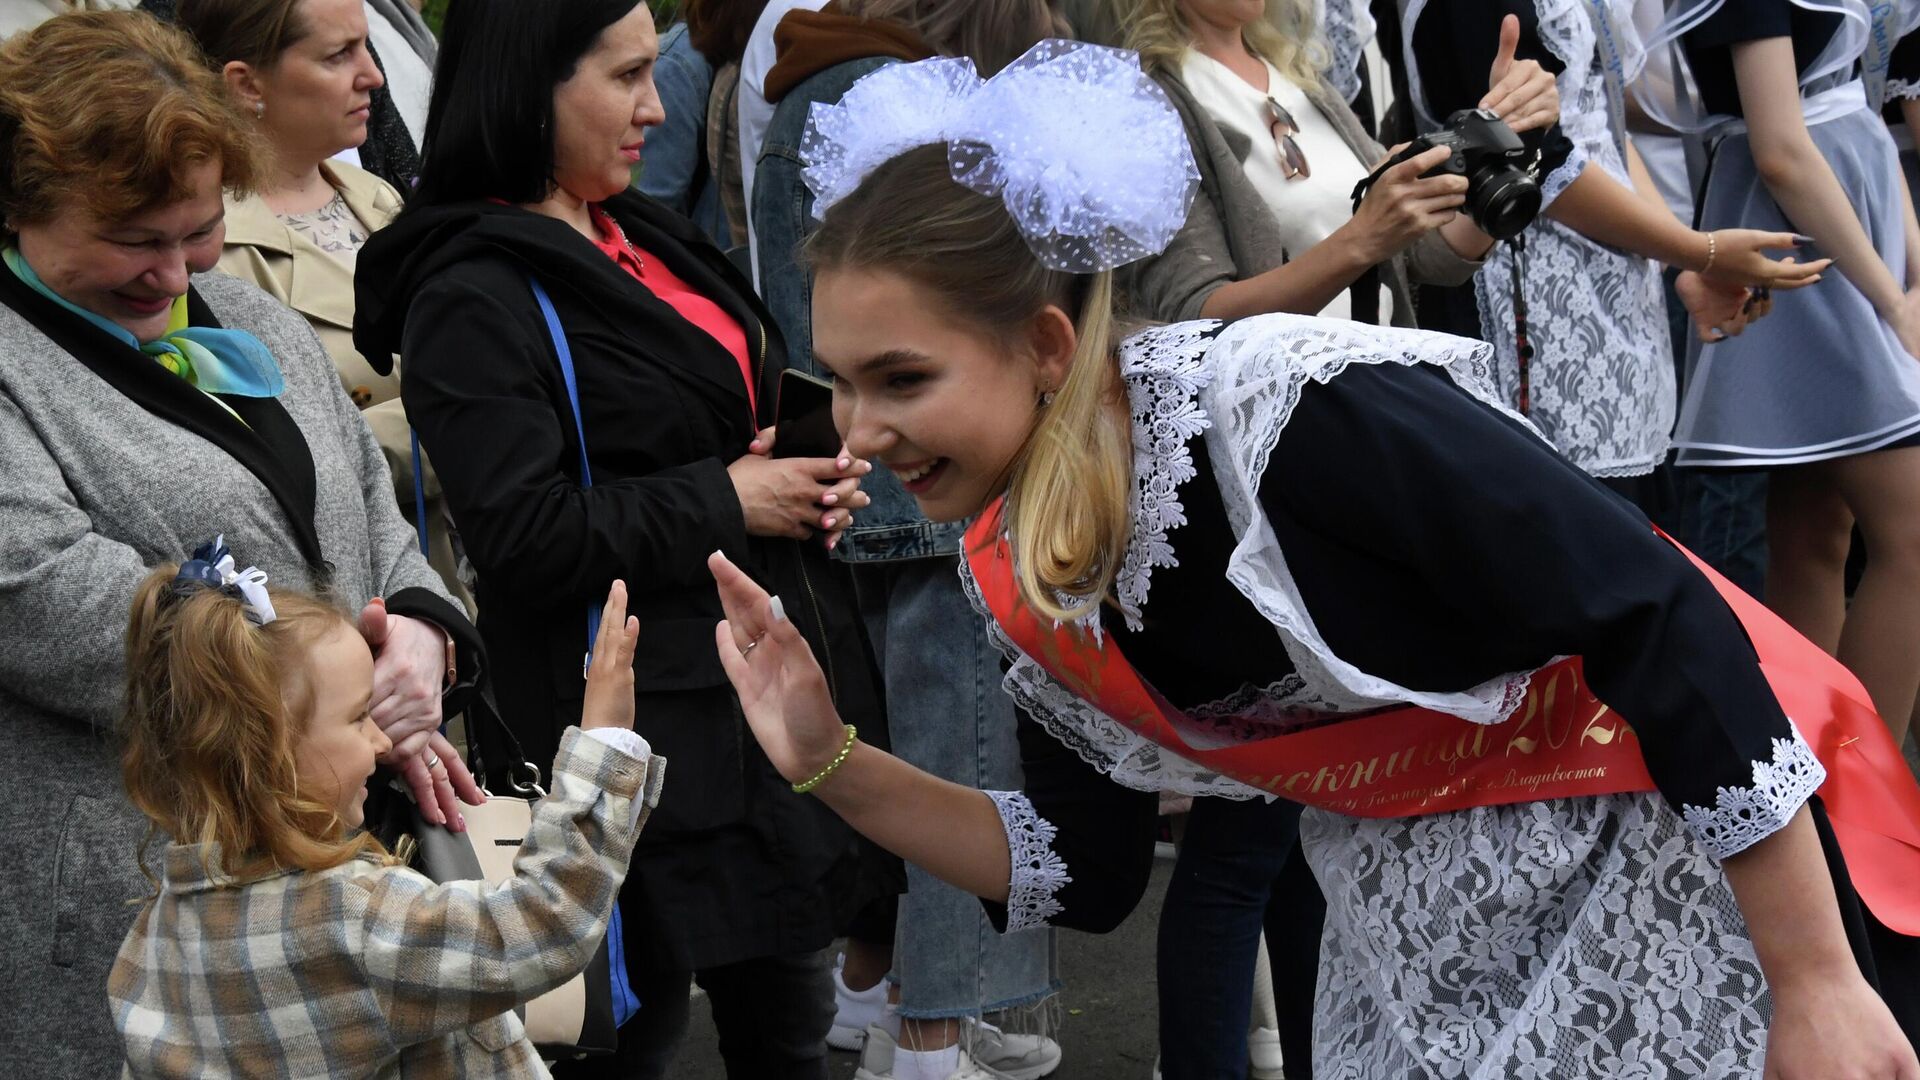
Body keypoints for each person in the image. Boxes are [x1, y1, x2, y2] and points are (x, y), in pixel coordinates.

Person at [709, 43, 1920, 1078]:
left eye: (903, 378)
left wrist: (1810, 977)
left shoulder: (1286, 412)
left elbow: (1657, 609)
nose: (860, 434)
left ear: (1044, 341)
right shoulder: (1032, 557)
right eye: (845, 383)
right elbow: (1086, 872)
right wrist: (831, 762)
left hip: (1658, 867)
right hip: (1409, 953)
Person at [351, 2, 897, 1077]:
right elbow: (518, 531)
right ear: (529, 85)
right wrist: (731, 498)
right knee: (623, 1037)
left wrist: (803, 465)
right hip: (622, 735)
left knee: (787, 1025)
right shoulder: (470, 286)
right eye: (627, 77)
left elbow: (699, 417)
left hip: (748, 706)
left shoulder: (632, 225)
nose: (657, 107)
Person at [0, 12, 484, 1075]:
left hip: (331, 868)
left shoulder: (246, 320)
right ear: (18, 204)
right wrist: (332, 678)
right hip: (140, 897)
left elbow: (369, 510)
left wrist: (419, 630)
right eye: (135, 239)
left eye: (200, 227)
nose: (177, 277)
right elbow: (44, 596)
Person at [752, 5, 1068, 1079]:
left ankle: (901, 1009)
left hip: (883, 500)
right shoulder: (864, 95)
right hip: (914, 513)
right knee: (964, 757)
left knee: (931, 756)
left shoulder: (823, 89)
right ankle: (937, 1034)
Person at [112, 564, 658, 1077]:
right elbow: (546, 921)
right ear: (267, 755)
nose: (382, 740)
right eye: (358, 719)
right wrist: (605, 743)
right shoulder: (353, 919)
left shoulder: (155, 931)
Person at [1639, 0, 1920, 766]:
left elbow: (1851, 107)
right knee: (1904, 536)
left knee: (1815, 531)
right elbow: (1780, 150)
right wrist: (1891, 296)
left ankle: (1816, 797)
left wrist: (1909, 266)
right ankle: (1860, 808)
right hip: (1808, 238)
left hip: (1846, 225)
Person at [1394, 0, 1824, 497]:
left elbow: (1602, 124)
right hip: (1530, 305)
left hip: (1612, 292)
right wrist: (1697, 249)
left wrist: (1683, 262)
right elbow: (1534, 158)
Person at [174, 0, 471, 612]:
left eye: (366, 47)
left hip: (448, 571)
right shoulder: (209, 252)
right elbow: (277, 457)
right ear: (245, 83)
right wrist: (479, 413)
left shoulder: (377, 197)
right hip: (337, 605)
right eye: (339, 55)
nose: (374, 75)